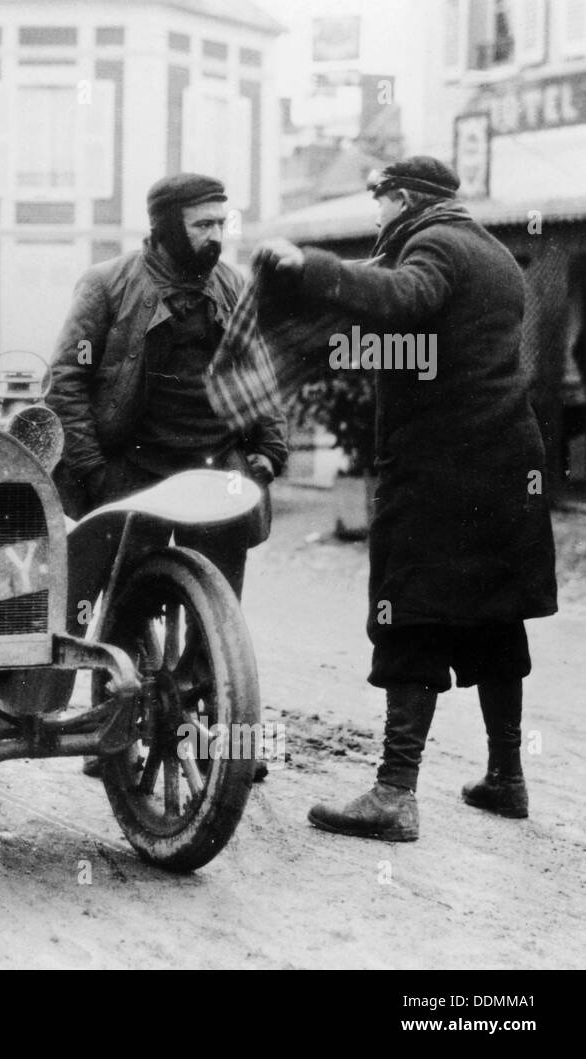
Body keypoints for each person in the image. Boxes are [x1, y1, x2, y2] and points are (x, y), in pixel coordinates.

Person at [254, 156, 557, 841]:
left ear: (405, 199)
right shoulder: (497, 257)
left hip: (438, 471)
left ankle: (393, 794)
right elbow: (419, 338)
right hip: (507, 463)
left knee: (409, 614)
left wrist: (312, 268)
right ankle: (507, 776)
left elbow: (403, 299)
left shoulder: (435, 244)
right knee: (493, 615)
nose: (377, 217)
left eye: (381, 203)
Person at [48, 172, 287, 599]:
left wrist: (270, 449)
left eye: (221, 223)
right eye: (202, 225)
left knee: (218, 608)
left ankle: (201, 666)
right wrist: (93, 469)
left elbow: (259, 373)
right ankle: (107, 663)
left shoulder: (234, 285)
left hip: (215, 466)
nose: (217, 236)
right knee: (96, 600)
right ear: (166, 228)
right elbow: (68, 379)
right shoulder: (106, 284)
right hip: (134, 466)